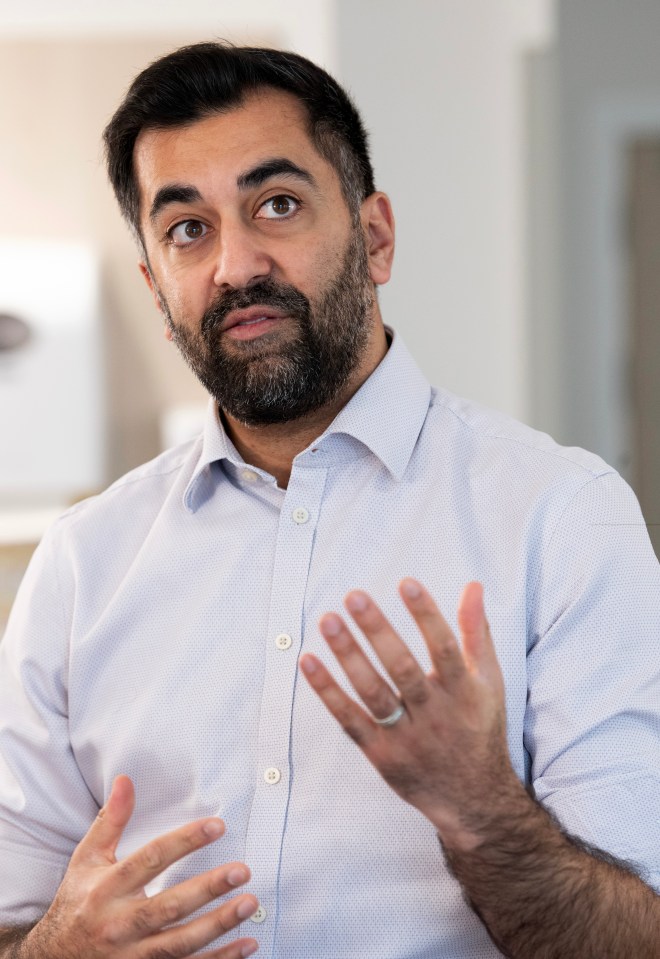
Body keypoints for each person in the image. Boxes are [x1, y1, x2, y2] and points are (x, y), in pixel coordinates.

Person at [0, 41, 658, 959]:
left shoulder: (563, 518)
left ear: (375, 236)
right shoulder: (79, 565)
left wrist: (479, 810)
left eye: (277, 205)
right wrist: (56, 948)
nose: (235, 264)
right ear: (157, 288)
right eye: (187, 228)